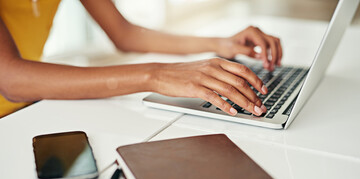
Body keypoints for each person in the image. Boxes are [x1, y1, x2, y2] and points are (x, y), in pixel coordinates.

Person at [0, 0, 282, 118]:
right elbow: (11, 78)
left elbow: (125, 34)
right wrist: (156, 75)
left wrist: (221, 43)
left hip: (27, 111)